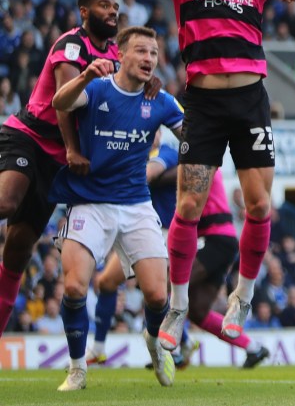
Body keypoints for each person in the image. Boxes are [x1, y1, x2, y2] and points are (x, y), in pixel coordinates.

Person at [108, 0, 295, 349]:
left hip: (250, 101)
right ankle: (176, 304)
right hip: (204, 103)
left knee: (260, 205)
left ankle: (243, 296)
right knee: (188, 206)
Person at [49, 26, 184, 391]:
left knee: (158, 296)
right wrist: (85, 75)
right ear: (120, 55)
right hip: (90, 202)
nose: (148, 59)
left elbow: (193, 134)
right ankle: (78, 367)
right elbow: (59, 103)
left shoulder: (161, 100)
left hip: (137, 204)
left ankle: (155, 343)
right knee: (75, 287)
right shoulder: (96, 88)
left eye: (154, 53)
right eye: (140, 51)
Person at [0, 0, 123, 336]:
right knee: (7, 201)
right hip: (30, 138)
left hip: (57, 161)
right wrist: (71, 149)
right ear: (84, 12)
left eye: (115, 6)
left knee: (19, 251)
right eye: (103, 5)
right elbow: (64, 101)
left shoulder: (117, 53)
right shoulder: (71, 44)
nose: (112, 11)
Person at [85, 138, 270, 370]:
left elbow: (165, 176)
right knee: (198, 313)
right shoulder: (191, 160)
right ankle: (253, 348)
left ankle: (170, 350)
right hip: (217, 240)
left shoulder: (197, 163)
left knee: (168, 288)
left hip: (214, 239)